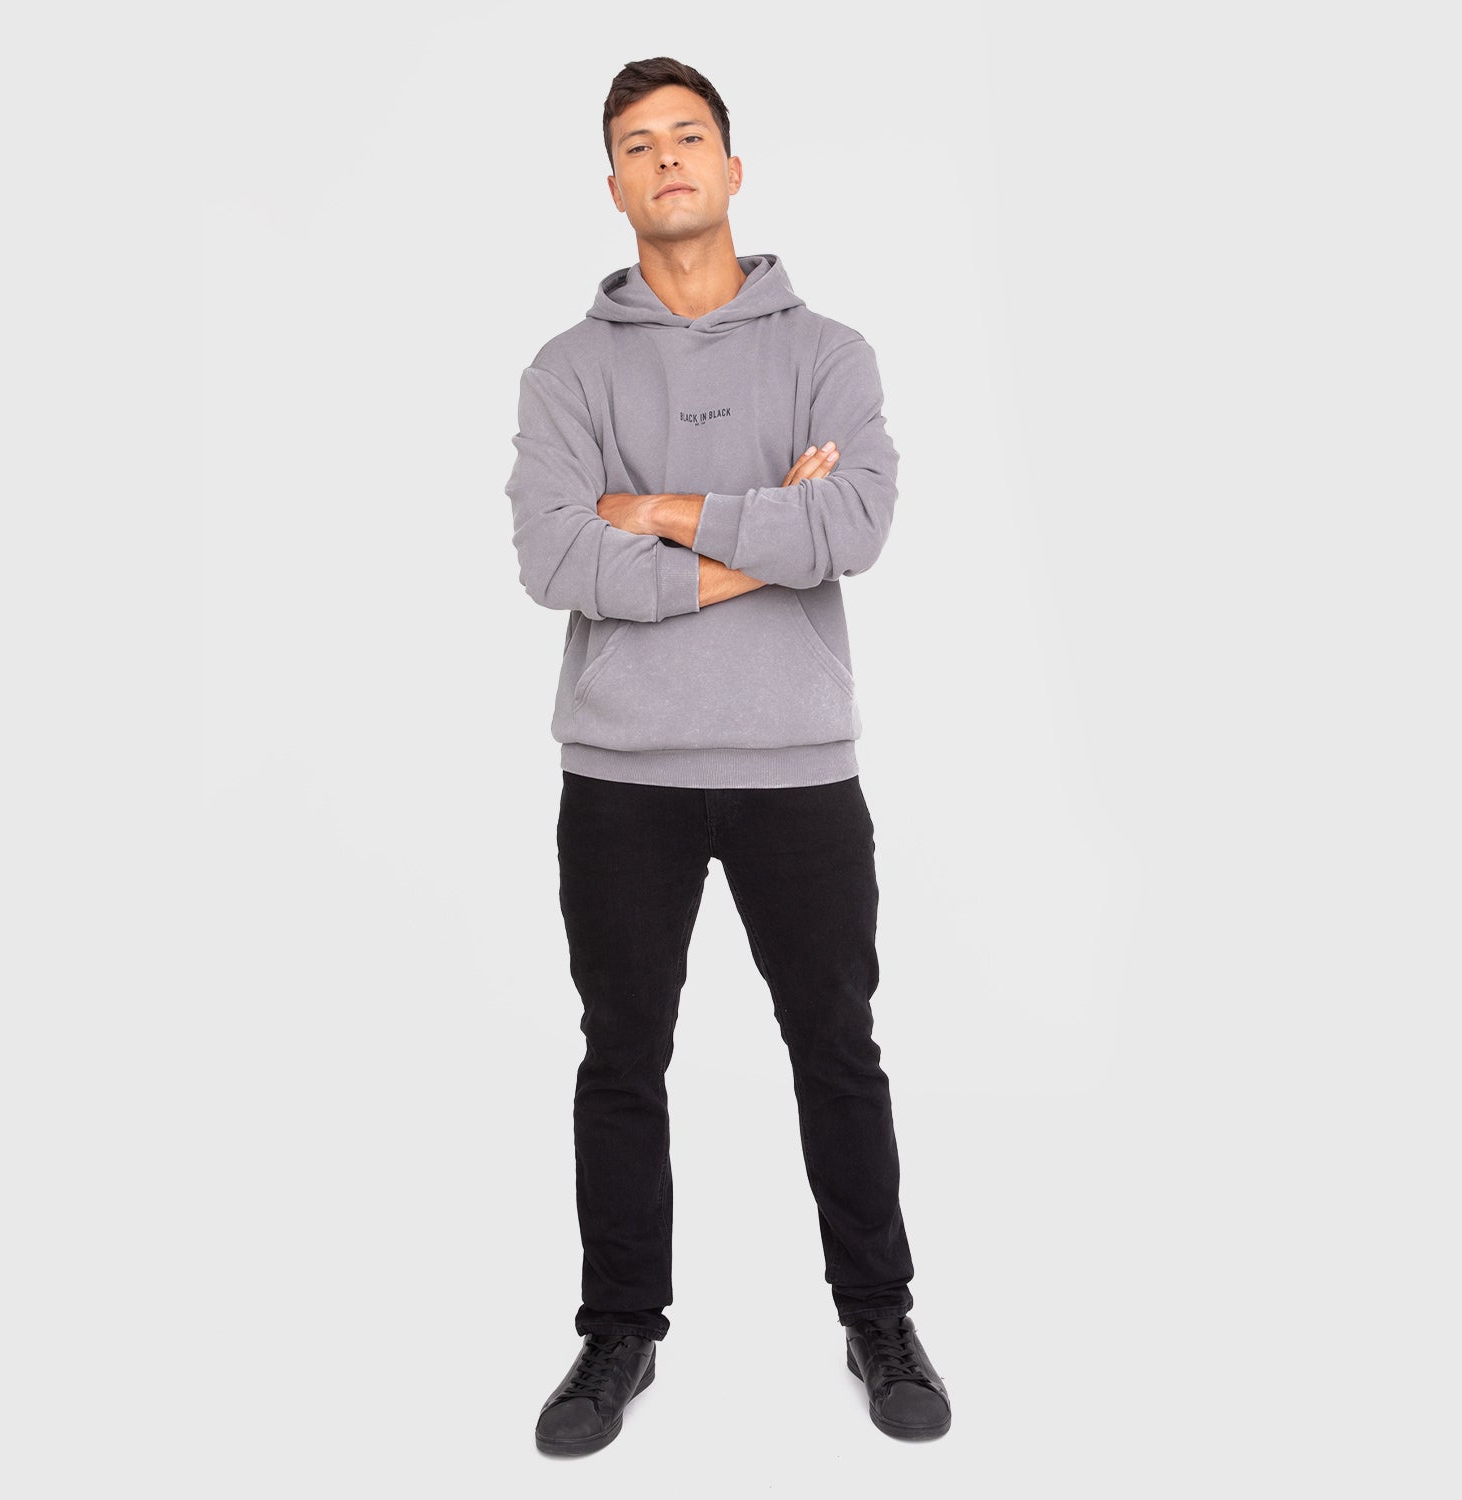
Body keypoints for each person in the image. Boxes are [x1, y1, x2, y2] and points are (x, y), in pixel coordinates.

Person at [506, 56, 950, 1454]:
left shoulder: (828, 354)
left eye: (689, 135)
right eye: (639, 144)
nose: (668, 159)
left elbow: (854, 529)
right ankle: (617, 1334)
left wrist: (654, 509)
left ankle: (878, 1316)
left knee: (838, 1049)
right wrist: (766, 533)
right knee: (621, 1058)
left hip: (797, 767)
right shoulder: (568, 370)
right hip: (621, 772)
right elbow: (553, 559)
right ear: (614, 185)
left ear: (733, 166)